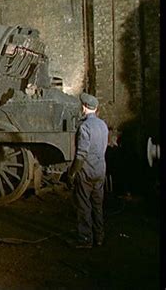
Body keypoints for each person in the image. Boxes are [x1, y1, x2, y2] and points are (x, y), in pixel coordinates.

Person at [67, 92, 109, 248]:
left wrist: (72, 172)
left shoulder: (84, 127)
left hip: (87, 171)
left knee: (84, 205)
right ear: (96, 108)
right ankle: (99, 237)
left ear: (84, 108)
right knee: (98, 205)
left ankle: (85, 239)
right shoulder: (103, 125)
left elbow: (81, 154)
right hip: (100, 170)